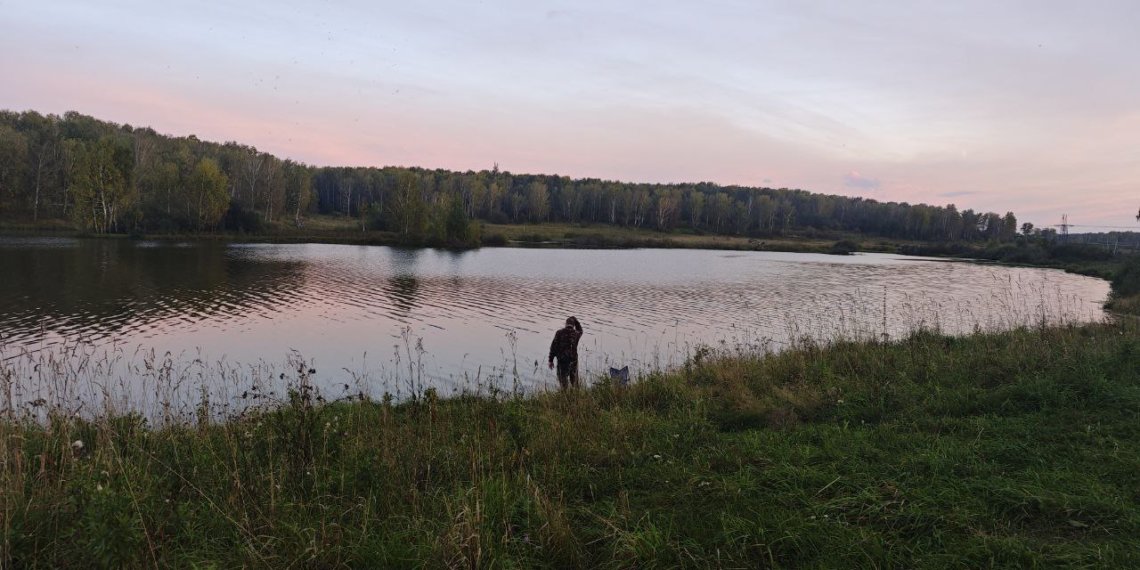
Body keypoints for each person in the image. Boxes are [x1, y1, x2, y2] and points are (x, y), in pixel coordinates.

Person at [548, 316, 583, 389]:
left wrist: (551, 360)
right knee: (575, 382)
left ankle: (564, 397)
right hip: (573, 361)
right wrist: (576, 321)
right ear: (573, 325)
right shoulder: (576, 333)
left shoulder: (559, 333)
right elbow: (580, 330)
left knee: (563, 383)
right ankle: (576, 397)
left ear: (566, 324)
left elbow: (553, 347)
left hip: (562, 361)